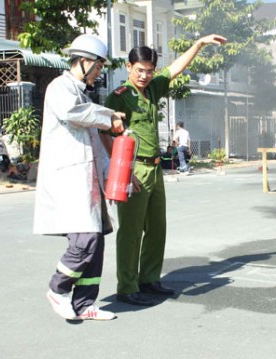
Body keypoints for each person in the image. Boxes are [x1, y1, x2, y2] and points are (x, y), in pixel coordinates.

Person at [102, 34, 227, 306]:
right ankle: (127, 286)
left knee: (157, 228)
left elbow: (176, 68)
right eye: (139, 70)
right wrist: (122, 171)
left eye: (149, 70)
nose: (145, 75)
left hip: (156, 169)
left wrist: (198, 44)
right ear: (128, 67)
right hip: (134, 170)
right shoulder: (119, 97)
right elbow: (104, 134)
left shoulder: (153, 89)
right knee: (131, 231)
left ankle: (148, 279)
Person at [33, 34, 126, 320]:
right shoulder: (60, 87)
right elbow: (74, 113)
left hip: (88, 179)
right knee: (85, 239)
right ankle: (57, 289)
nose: (99, 72)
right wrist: (109, 116)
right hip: (69, 180)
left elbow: (95, 141)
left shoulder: (82, 94)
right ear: (83, 61)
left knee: (95, 241)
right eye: (97, 66)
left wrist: (111, 173)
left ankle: (84, 304)